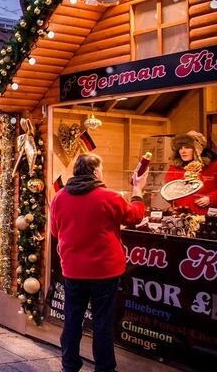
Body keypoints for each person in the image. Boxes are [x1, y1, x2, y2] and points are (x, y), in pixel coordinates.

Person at [51, 153, 147, 372]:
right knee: (102, 321)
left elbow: (55, 231)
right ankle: (104, 368)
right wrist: (137, 190)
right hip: (105, 272)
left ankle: (69, 365)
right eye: (101, 169)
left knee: (72, 319)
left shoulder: (59, 197)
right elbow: (135, 216)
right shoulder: (109, 197)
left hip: (73, 271)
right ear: (95, 171)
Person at [164, 130, 217, 214]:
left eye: (187, 147)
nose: (183, 151)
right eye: (180, 148)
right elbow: (168, 190)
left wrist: (211, 198)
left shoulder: (213, 165)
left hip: (206, 214)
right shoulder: (175, 167)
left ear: (197, 149)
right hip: (181, 213)